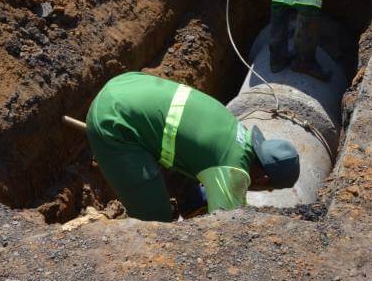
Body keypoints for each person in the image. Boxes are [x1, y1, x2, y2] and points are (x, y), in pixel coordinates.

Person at [85, 72, 300, 222]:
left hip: (126, 85)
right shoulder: (232, 171)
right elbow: (227, 229)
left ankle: (188, 202)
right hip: (115, 121)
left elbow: (196, 155)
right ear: (264, 179)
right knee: (154, 221)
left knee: (189, 173)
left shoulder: (235, 132)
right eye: (267, 188)